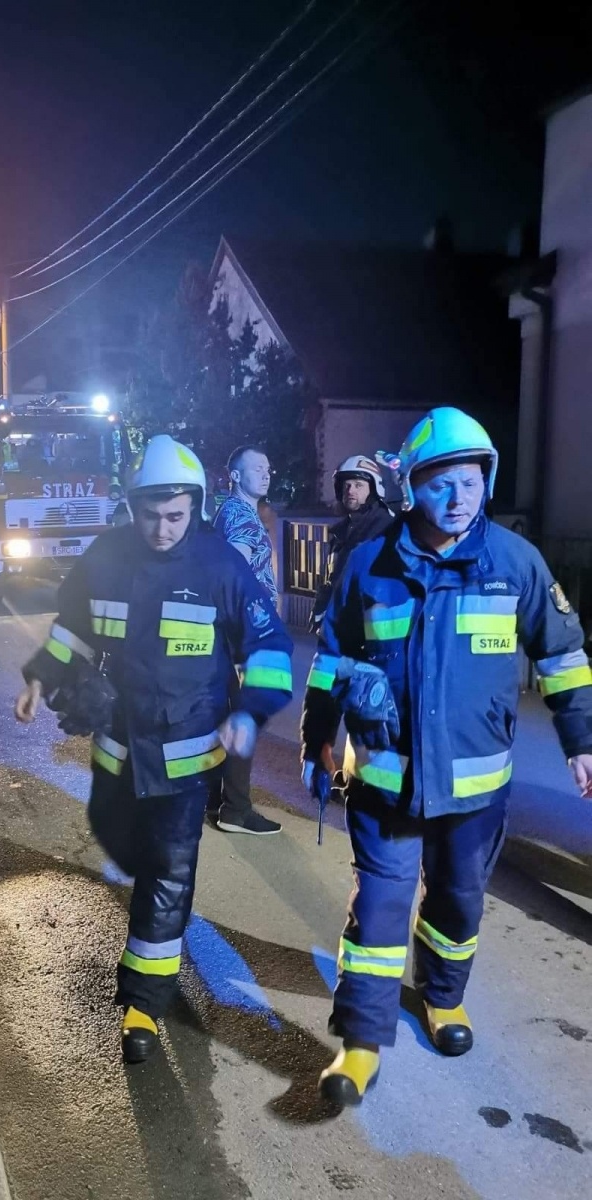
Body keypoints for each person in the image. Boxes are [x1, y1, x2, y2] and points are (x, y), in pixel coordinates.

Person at [299, 407, 592, 1108]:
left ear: (484, 482)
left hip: (476, 792)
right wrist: (319, 735)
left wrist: (581, 741)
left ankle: (443, 997)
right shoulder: (370, 562)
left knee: (458, 904)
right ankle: (361, 1044)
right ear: (411, 490)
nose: (458, 498)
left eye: (470, 482)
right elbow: (330, 656)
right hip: (384, 782)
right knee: (378, 914)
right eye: (440, 484)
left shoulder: (516, 564)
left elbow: (562, 655)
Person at [14, 435, 294, 1063]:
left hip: (186, 763)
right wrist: (41, 676)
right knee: (128, 853)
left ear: (193, 506)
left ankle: (144, 1003)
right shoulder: (105, 557)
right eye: (150, 514)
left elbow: (271, 647)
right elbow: (73, 631)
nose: (163, 529)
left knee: (166, 876)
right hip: (116, 754)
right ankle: (151, 913)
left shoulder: (222, 566)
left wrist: (250, 712)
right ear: (132, 505)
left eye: (176, 515)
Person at [209, 445, 283, 835]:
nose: (266, 473)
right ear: (234, 475)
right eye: (257, 467)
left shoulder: (234, 512)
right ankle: (235, 809)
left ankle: (216, 799)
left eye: (268, 467)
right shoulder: (239, 516)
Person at [310, 456, 394, 631]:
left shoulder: (385, 527)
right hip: (342, 626)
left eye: (358, 485)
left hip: (371, 627)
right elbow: (334, 576)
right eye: (346, 485)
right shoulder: (343, 532)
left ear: (374, 488)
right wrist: (322, 607)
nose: (350, 490)